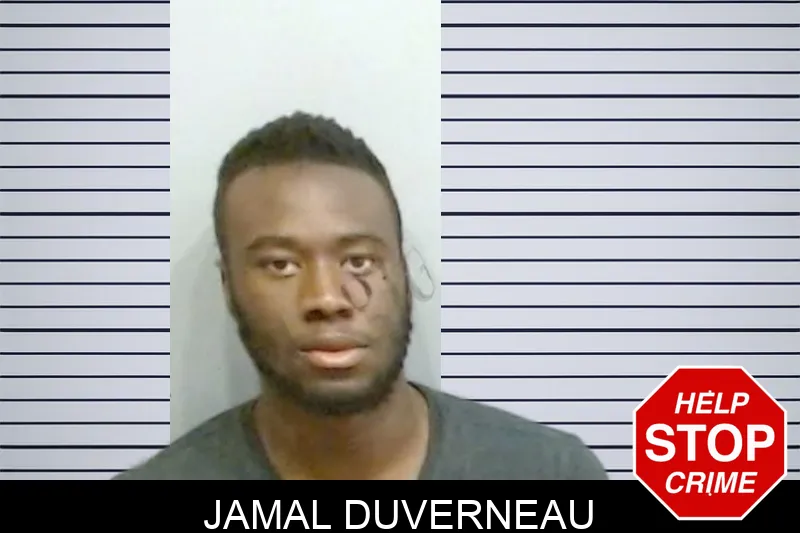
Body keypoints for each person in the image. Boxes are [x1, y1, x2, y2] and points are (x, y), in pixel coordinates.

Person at [115, 112, 608, 480]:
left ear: (402, 270)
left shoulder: (550, 474)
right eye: (281, 264)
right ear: (229, 286)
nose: (327, 298)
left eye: (358, 261)